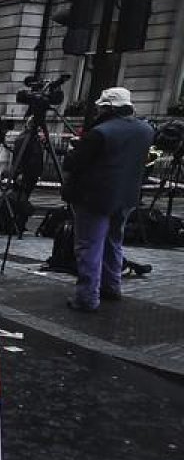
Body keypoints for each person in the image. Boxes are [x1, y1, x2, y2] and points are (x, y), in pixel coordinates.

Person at [61, 87, 153, 312]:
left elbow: (74, 163)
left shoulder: (101, 132)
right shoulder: (146, 130)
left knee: (89, 246)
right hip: (126, 196)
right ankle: (112, 286)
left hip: (94, 197)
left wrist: (76, 149)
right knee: (114, 242)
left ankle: (87, 297)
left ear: (107, 107)